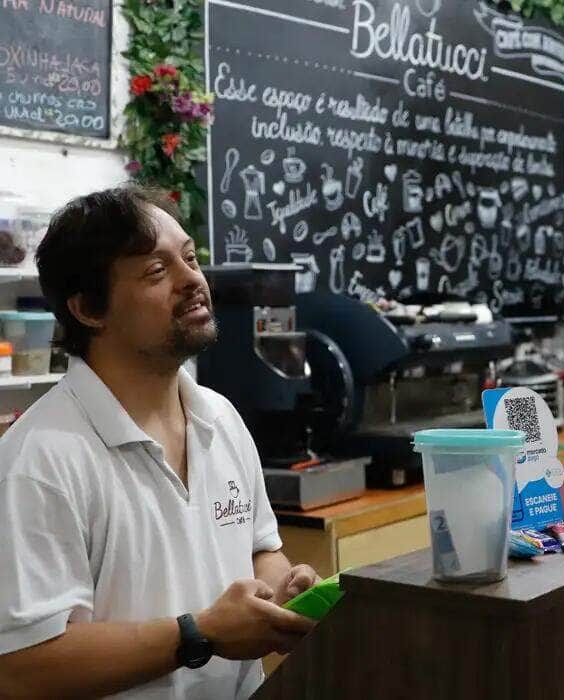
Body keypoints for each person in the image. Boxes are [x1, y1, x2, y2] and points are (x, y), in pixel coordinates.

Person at [0, 186, 318, 698]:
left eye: (190, 258)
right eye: (156, 270)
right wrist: (201, 633)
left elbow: (262, 551)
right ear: (88, 308)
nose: (193, 280)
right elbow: (21, 668)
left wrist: (282, 591)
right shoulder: (39, 460)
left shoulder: (221, 418)